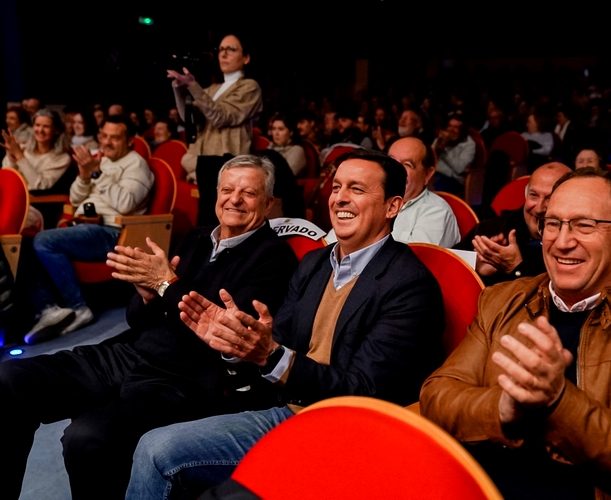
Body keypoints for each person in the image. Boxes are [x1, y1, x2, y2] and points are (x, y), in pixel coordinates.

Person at [124, 149, 445, 500]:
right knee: (153, 447)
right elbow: (275, 343)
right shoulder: (314, 263)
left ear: (392, 206)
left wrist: (270, 355)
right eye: (337, 187)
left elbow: (364, 393)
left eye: (356, 189)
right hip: (288, 413)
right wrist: (235, 344)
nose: (340, 198)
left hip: (348, 434)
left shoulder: (409, 285)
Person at [0, 154, 297, 499]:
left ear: (268, 203)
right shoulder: (197, 237)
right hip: (130, 353)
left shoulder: (275, 257)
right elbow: (139, 319)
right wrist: (148, 298)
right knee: (9, 379)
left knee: (87, 438)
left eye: (248, 193)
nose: (235, 199)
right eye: (227, 190)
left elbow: (220, 334)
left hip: (184, 378)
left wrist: (167, 285)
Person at [422, 167, 611, 499]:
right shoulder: (501, 300)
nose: (562, 242)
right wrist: (504, 408)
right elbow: (436, 397)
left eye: (584, 225)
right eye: (553, 223)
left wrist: (559, 401)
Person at [22, 115, 153, 344]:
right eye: (104, 136)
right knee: (27, 241)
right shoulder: (102, 160)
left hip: (114, 231)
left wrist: (96, 174)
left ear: (130, 140)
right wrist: (84, 177)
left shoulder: (137, 165)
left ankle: (77, 307)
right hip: (86, 226)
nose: (107, 142)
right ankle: (48, 309)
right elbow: (75, 198)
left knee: (44, 241)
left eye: (115, 138)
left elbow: (125, 203)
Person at [169, 32, 263, 226]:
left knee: (224, 219)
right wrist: (179, 87)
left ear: (246, 58)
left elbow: (221, 117)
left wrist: (193, 86)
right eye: (220, 49)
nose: (223, 54)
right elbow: (189, 118)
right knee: (206, 219)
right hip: (206, 160)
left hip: (230, 161)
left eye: (231, 49)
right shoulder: (212, 89)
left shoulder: (250, 87)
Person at [324, 139, 460, 247]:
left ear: (427, 174)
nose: (395, 172)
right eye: (390, 162)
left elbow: (412, 264)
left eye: (407, 164)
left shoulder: (436, 211)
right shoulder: (369, 200)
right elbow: (329, 245)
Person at [456, 162, 571, 285]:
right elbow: (446, 265)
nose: (539, 208)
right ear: (526, 195)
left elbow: (560, 295)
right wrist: (474, 266)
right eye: (534, 195)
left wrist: (516, 267)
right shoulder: (489, 231)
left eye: (550, 198)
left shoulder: (572, 245)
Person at [432, 114, 476, 196]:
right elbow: (429, 159)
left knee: (439, 182)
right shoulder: (441, 139)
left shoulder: (469, 144)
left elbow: (459, 168)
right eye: (449, 126)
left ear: (462, 131)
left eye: (456, 127)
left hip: (453, 179)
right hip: (434, 174)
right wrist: (438, 145)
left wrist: (444, 149)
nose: (451, 130)